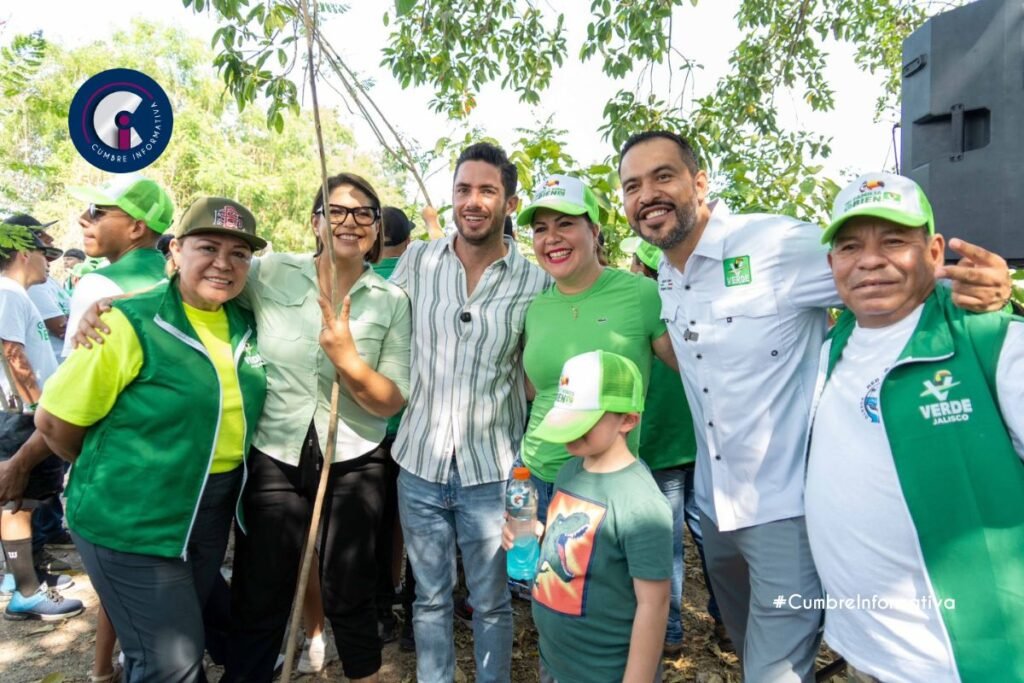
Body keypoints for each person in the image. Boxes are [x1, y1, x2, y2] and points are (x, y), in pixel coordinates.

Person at [616, 130, 1014, 682]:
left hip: (786, 509)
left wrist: (975, 286)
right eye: (633, 185)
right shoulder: (665, 273)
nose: (648, 195)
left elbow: (882, 268)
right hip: (714, 510)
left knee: (774, 671)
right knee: (747, 642)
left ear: (699, 183)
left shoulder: (775, 245)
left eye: (663, 176)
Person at [33, 197, 266, 681]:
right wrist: (119, 470)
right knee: (171, 664)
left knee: (180, 644)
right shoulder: (126, 322)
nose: (223, 263)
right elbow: (54, 423)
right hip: (129, 517)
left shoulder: (248, 321)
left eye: (239, 253)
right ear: (176, 250)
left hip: (207, 515)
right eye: (208, 247)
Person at [805, 172, 1024, 682]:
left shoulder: (993, 340)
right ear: (832, 262)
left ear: (934, 251)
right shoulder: (832, 347)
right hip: (866, 649)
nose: (870, 260)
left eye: (895, 241)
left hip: (964, 661)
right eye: (850, 246)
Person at [223, 173, 411, 683]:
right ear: (316, 221)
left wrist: (349, 361)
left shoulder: (391, 301)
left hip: (355, 457)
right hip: (275, 452)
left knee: (349, 587)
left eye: (363, 213)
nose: (349, 221)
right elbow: (206, 290)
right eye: (336, 211)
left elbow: (389, 400)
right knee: (260, 587)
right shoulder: (269, 274)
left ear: (375, 228)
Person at [391, 142, 549, 683]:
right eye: (463, 190)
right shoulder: (417, 261)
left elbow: (539, 372)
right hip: (419, 466)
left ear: (509, 202)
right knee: (430, 601)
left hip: (492, 473)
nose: (473, 202)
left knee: (492, 603)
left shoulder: (535, 282)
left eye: (487, 191)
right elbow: (373, 316)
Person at [516, 174, 675, 521]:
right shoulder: (536, 307)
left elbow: (690, 370)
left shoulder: (640, 294)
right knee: (536, 577)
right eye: (540, 228)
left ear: (594, 230)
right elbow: (535, 389)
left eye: (565, 224)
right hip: (534, 475)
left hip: (607, 484)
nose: (551, 238)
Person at [511, 350, 672, 683]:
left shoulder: (642, 504)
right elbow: (579, 545)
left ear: (627, 419)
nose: (570, 433)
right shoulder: (570, 470)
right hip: (555, 661)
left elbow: (653, 606)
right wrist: (537, 533)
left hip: (604, 673)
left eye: (582, 421)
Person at [628, 239, 729, 657]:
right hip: (699, 445)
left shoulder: (643, 315)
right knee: (709, 536)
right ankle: (728, 617)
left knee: (665, 547)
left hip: (661, 449)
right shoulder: (692, 313)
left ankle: (669, 632)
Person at [0, 227, 81, 621]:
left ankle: (26, 576)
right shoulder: (7, 293)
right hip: (20, 415)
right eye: (41, 251)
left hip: (25, 412)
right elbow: (12, 351)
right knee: (18, 503)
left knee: (26, 501)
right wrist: (37, 409)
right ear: (20, 253)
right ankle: (24, 591)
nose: (47, 259)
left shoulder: (17, 294)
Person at [62, 173, 174, 358]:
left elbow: (76, 371)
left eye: (96, 211)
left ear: (137, 228)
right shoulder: (179, 280)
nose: (82, 218)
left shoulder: (97, 284)